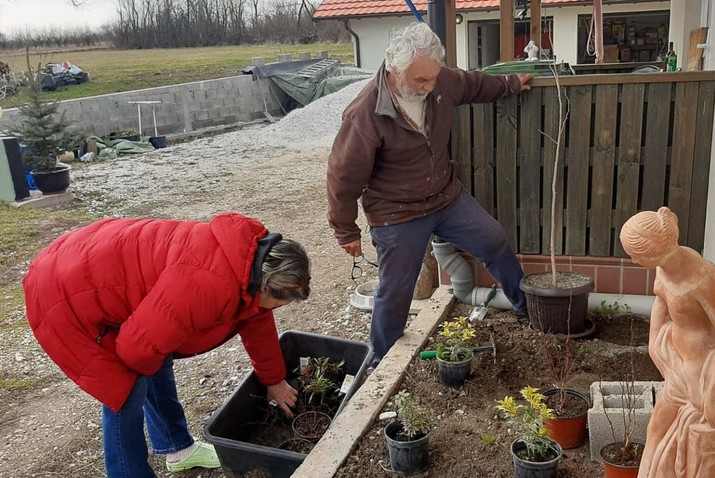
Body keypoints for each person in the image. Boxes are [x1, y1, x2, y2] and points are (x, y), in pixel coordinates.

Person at [22, 212, 311, 477]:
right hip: (62, 293)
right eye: (280, 302)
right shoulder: (208, 284)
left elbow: (256, 322)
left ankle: (177, 448)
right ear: (266, 285)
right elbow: (135, 349)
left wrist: (273, 380)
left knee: (156, 352)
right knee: (124, 388)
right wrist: (145, 369)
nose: (277, 308)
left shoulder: (248, 263)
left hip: (94, 266)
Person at [327, 22, 534, 363]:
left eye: (433, 78)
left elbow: (473, 83)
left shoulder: (440, 82)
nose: (429, 86)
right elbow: (342, 177)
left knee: (493, 239)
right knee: (395, 290)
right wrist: (345, 229)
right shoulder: (364, 114)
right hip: (396, 213)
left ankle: (529, 308)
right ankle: (383, 359)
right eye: (420, 80)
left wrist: (510, 84)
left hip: (444, 197)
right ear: (395, 70)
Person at [619, 207, 715, 478]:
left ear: (657, 252)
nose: (632, 261)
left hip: (699, 373)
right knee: (657, 428)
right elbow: (661, 298)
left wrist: (714, 392)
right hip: (678, 362)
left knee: (691, 444)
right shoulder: (663, 267)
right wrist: (655, 341)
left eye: (636, 255)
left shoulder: (704, 278)